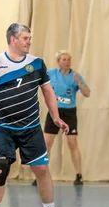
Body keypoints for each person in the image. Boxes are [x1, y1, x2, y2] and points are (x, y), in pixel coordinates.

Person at [0, 23, 68, 207]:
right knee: (0, 168)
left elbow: (48, 92)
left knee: (42, 169)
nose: (29, 41)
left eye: (29, 38)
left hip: (31, 128)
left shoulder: (36, 64)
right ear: (13, 39)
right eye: (25, 38)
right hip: (4, 128)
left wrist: (55, 116)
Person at [31, 50, 90, 186]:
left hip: (69, 113)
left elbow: (87, 93)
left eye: (68, 59)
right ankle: (41, 174)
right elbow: (38, 82)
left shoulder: (75, 76)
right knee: (46, 143)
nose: (66, 62)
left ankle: (78, 175)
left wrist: (79, 84)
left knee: (72, 143)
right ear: (59, 62)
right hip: (54, 112)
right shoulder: (51, 74)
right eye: (63, 59)